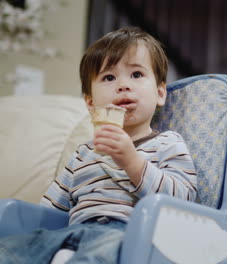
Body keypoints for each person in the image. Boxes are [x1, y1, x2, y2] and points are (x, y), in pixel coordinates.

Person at [0, 26, 197, 264]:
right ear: (91, 104)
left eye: (136, 74)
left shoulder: (168, 142)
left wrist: (132, 162)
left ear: (160, 93)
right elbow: (49, 211)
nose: (123, 85)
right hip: (72, 231)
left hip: (130, 234)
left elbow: (181, 201)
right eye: (109, 77)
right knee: (11, 248)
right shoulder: (84, 153)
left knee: (103, 251)